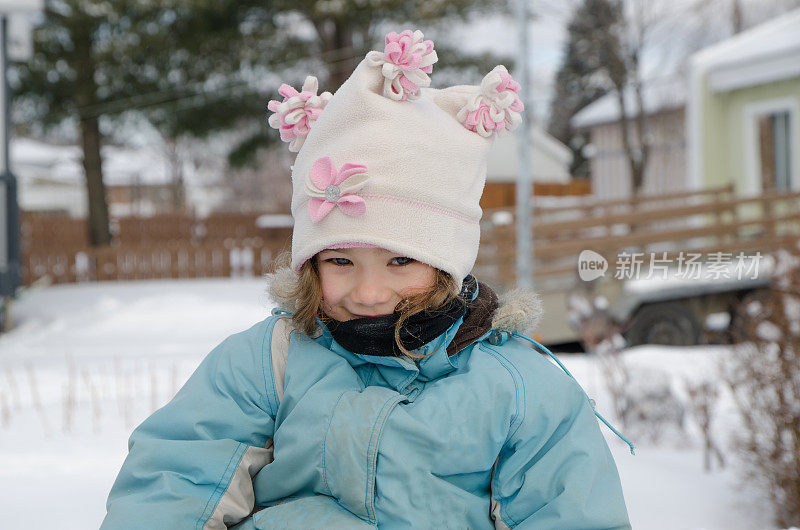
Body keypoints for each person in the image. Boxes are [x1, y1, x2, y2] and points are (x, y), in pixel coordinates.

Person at [101, 29, 631, 529]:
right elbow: (178, 478)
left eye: (401, 261)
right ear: (310, 266)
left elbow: (570, 510)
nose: (369, 293)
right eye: (340, 262)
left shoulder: (518, 386)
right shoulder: (267, 362)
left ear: (446, 264)